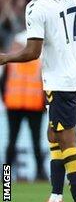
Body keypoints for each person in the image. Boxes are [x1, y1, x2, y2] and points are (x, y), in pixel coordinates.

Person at [0, 0, 76, 202]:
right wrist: (72, 53)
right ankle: (54, 198)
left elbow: (32, 52)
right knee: (54, 134)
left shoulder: (37, 6)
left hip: (60, 82)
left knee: (66, 139)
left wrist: (5, 58)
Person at [1, 31, 46, 181]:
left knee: (18, 142)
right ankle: (40, 174)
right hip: (24, 106)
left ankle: (7, 176)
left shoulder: (13, 63)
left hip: (26, 106)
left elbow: (3, 83)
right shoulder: (39, 62)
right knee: (28, 142)